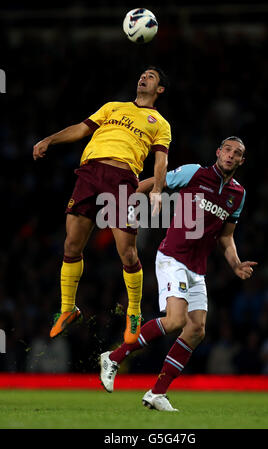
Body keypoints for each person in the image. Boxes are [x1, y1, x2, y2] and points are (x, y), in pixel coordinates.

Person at [99, 136, 257, 411]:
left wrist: (236, 263)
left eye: (237, 153)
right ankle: (114, 356)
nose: (231, 155)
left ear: (242, 160)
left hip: (197, 269)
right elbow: (154, 183)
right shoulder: (194, 172)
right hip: (172, 256)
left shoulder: (238, 194)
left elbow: (226, 237)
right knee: (174, 321)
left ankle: (156, 393)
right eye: (227, 150)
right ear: (218, 152)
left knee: (196, 330)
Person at [32, 66, 171, 344]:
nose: (143, 77)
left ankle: (134, 313)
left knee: (127, 252)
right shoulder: (112, 107)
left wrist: (157, 188)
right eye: (142, 74)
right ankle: (68, 308)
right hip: (90, 173)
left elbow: (161, 161)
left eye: (151, 77)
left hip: (122, 179)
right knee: (71, 244)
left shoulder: (160, 123)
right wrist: (50, 139)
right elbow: (81, 129)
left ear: (159, 90)